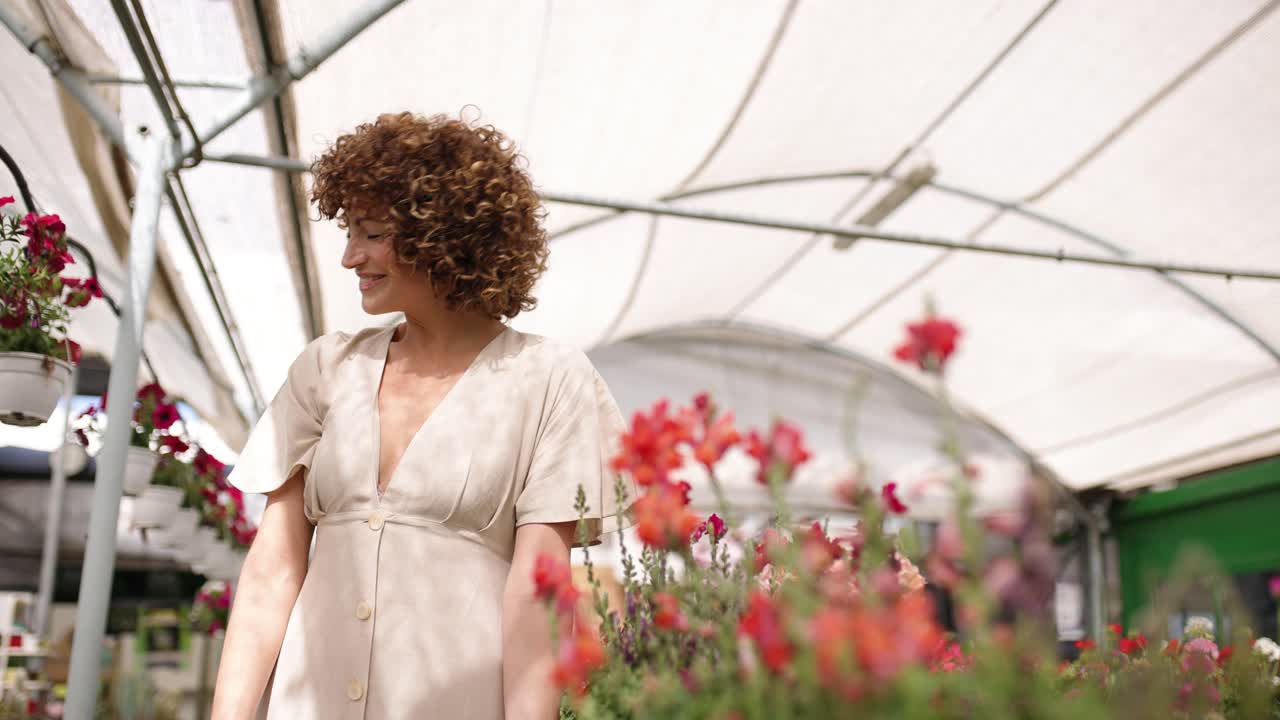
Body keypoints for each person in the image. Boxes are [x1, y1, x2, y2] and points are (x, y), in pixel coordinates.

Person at [210, 112, 629, 719]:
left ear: (445, 234)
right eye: (350, 232)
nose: (351, 256)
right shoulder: (327, 368)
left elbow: (535, 596)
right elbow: (272, 570)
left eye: (372, 233)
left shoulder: (551, 380)